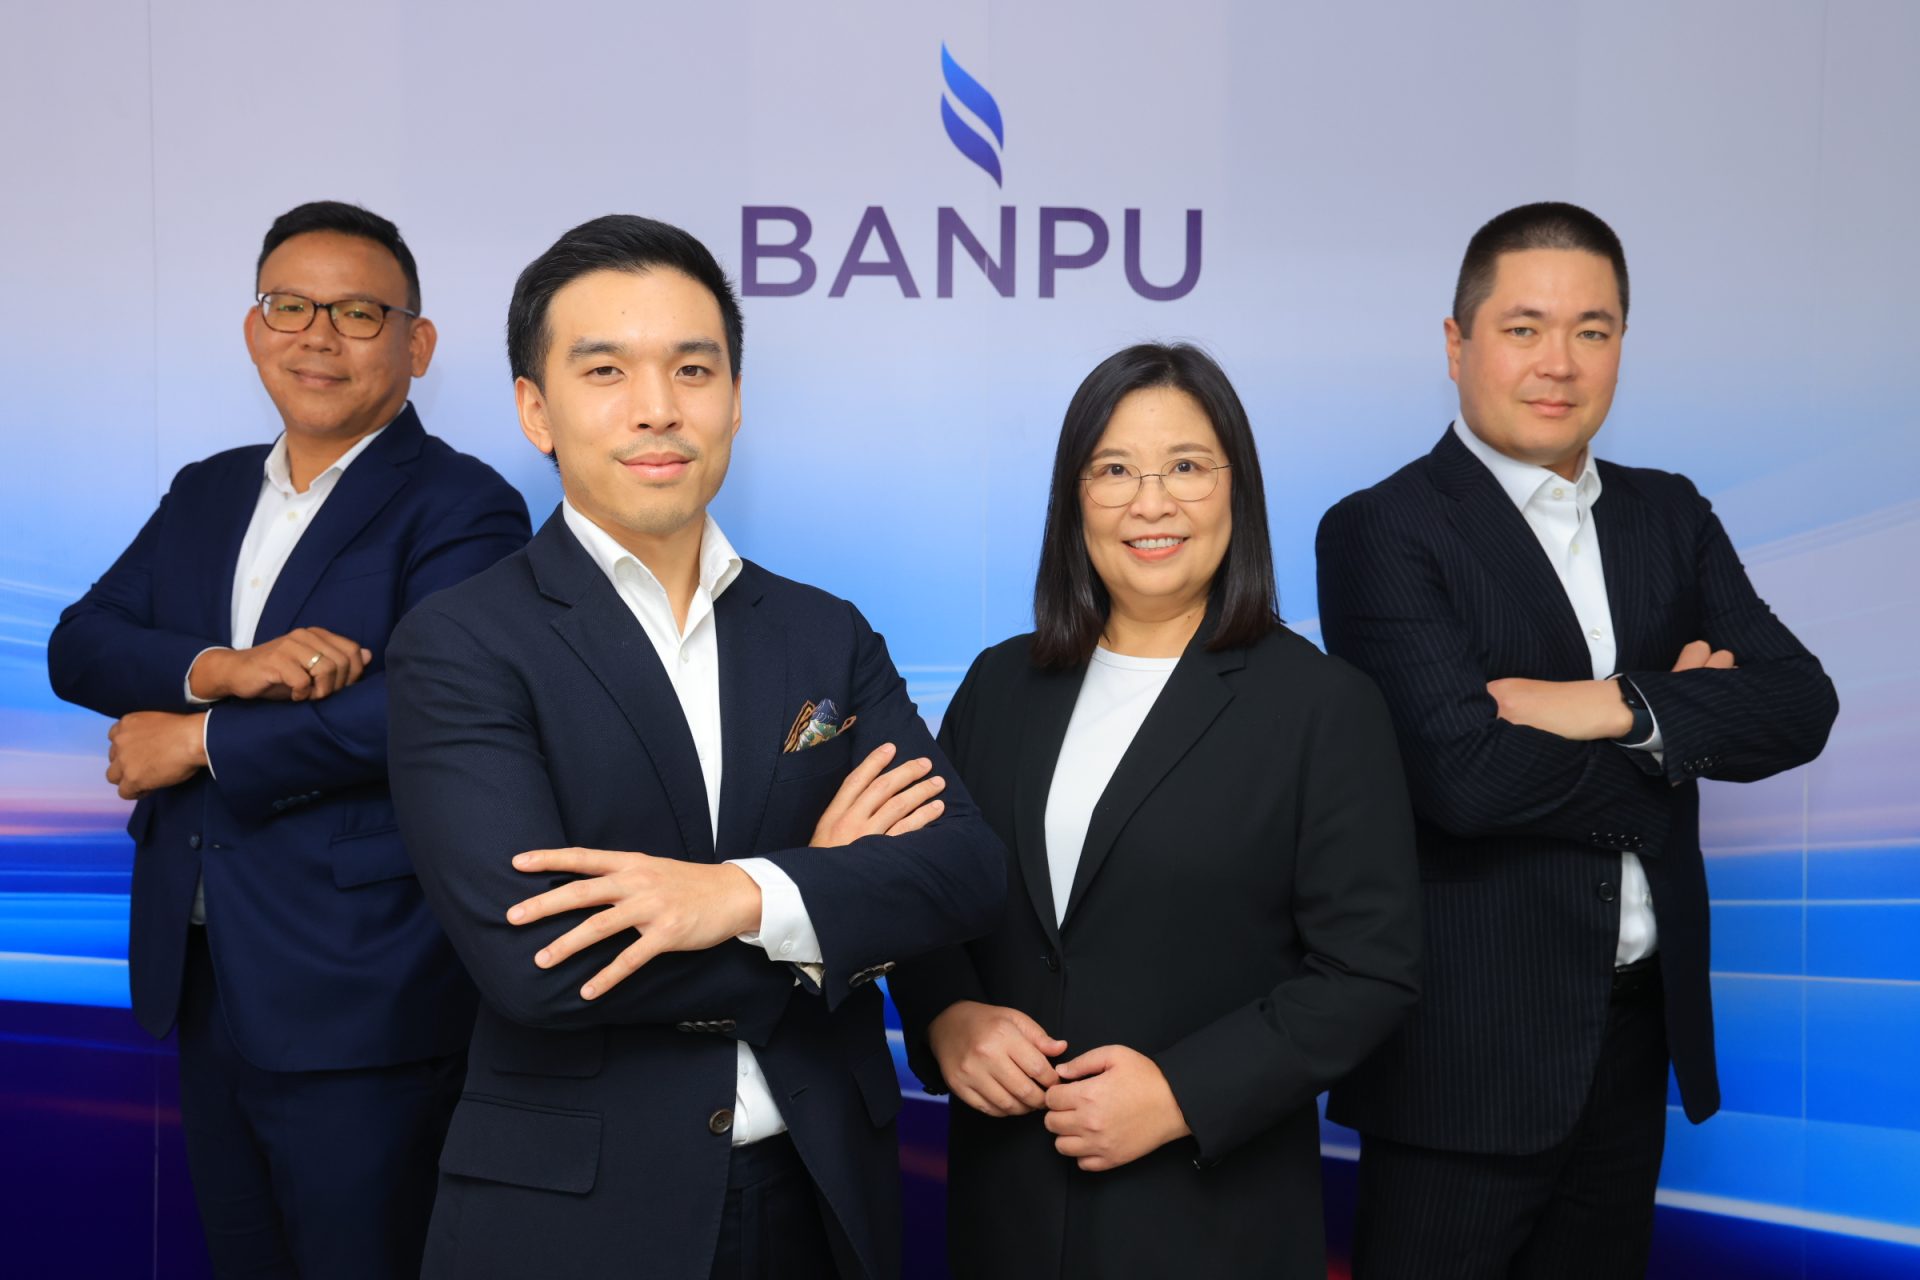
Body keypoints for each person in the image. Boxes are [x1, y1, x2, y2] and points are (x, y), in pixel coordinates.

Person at [383, 213, 1007, 1280]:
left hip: (824, 1191)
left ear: (734, 397)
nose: (659, 407)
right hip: (582, 1213)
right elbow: (543, 965)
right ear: (535, 408)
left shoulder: (825, 633)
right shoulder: (462, 642)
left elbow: (963, 870)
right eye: (606, 370)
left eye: (693, 368)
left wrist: (739, 896)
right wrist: (817, 919)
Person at [1318, 201, 1840, 1278]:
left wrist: (1615, 705)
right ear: (1457, 342)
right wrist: (1682, 733)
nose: (1559, 362)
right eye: (1524, 328)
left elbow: (1802, 704)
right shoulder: (1383, 528)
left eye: (1591, 330)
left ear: (1620, 344)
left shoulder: (1670, 514)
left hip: (1633, 1039)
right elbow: (1462, 778)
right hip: (1467, 1061)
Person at [46, 199, 531, 1277]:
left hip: (359, 983)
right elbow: (81, 645)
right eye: (289, 306)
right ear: (253, 326)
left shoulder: (464, 505)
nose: (317, 335)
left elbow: (430, 707)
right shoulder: (208, 489)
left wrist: (199, 742)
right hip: (203, 964)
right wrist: (227, 668)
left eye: (357, 312)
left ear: (417, 343)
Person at [889, 342, 1423, 1279]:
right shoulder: (999, 684)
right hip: (1006, 1209)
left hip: (1211, 1219)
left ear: (1236, 489)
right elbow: (927, 892)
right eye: (1114, 471)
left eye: (1185, 466)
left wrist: (1183, 1092)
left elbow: (1369, 971)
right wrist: (947, 1017)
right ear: (1074, 500)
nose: (1151, 502)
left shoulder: (1321, 706)